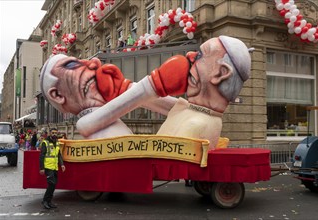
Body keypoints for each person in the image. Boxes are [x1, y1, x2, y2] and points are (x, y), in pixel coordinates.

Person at [76, 35, 252, 150]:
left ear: (220, 73)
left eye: (200, 55)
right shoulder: (196, 112)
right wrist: (123, 87)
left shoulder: (196, 124)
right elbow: (161, 102)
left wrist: (152, 83)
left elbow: (85, 125)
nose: (190, 55)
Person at [39, 54, 176, 139]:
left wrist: (124, 88)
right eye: (72, 65)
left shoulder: (96, 119)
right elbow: (141, 94)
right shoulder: (85, 124)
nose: (95, 62)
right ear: (57, 95)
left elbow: (182, 109)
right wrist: (155, 82)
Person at [39, 128, 66, 209]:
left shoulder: (57, 142)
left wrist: (62, 164)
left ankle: (49, 201)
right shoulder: (45, 142)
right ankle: (45, 201)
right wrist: (42, 168)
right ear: (50, 133)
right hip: (48, 167)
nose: (54, 134)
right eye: (53, 133)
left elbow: (59, 155)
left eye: (55, 133)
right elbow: (42, 156)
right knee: (52, 184)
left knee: (53, 185)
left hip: (54, 167)